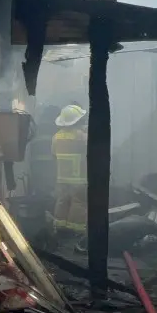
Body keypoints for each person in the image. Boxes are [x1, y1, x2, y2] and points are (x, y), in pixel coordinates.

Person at [51, 104, 89, 249]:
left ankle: (60, 229)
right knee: (78, 204)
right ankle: (75, 233)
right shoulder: (82, 137)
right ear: (78, 121)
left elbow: (53, 155)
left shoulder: (56, 137)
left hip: (61, 178)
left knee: (62, 202)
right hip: (79, 179)